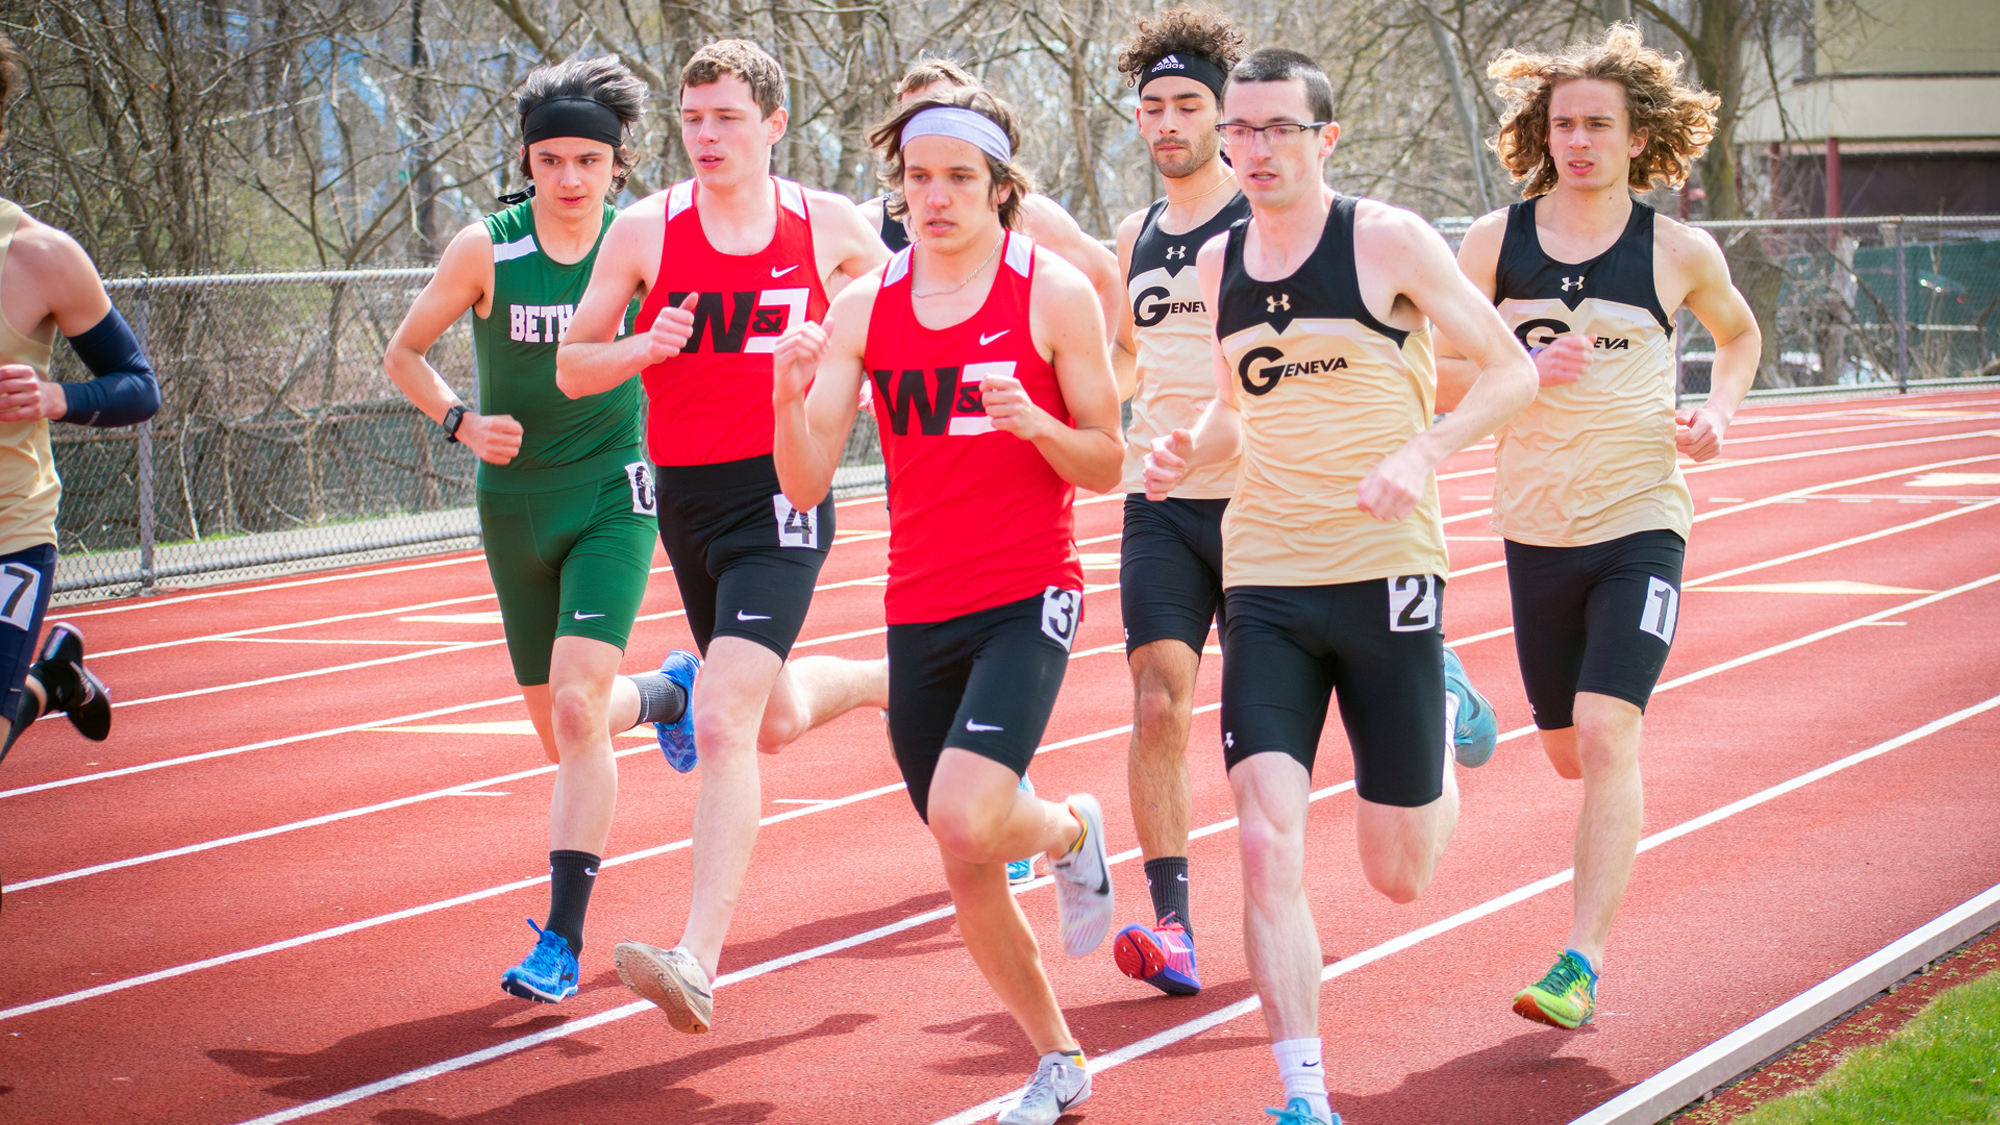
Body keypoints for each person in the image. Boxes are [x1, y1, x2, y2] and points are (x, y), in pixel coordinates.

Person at [1142, 49, 1537, 1125]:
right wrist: (1191, 447)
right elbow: (1237, 404)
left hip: (1386, 569)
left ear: (1324, 140)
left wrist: (1422, 453)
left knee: (1396, 872)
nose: (1252, 150)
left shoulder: (1384, 239)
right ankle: (1303, 1093)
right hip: (1264, 572)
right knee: (1265, 833)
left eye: (1276, 130)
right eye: (1240, 131)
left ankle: (1441, 698)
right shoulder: (1218, 264)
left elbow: (1509, 369)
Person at [769, 87, 1122, 1125]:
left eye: (958, 178)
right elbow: (800, 484)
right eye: (917, 178)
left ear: (1001, 190)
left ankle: (1064, 832)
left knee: (965, 809)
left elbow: (1103, 459)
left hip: (1028, 590)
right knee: (964, 861)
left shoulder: (1052, 295)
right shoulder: (864, 306)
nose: (933, 197)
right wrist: (785, 397)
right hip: (917, 600)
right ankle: (1057, 1059)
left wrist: (1034, 426)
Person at [555, 39, 891, 1035]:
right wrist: (640, 347)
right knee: (771, 716)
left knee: (722, 723)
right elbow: (574, 366)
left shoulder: (823, 224)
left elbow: (910, 319)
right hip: (688, 499)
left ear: (773, 126)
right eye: (692, 117)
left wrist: (835, 358)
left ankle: (696, 958)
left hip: (785, 490)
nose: (705, 135)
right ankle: (892, 682)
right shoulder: (645, 234)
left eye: (727, 118)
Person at [1436, 24, 1760, 1030]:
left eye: (1595, 123)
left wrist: (1716, 410)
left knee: (1611, 733)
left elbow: (1739, 334)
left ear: (1634, 137)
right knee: (1568, 750)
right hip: (1535, 528)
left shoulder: (1675, 249)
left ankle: (1577, 964)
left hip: (1639, 521)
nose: (1576, 138)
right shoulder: (1495, 243)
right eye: (1561, 122)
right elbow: (1434, 373)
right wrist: (1521, 372)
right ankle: (1456, 692)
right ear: (1542, 134)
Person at [383, 56, 695, 1005]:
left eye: (588, 161)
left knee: (572, 709)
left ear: (618, 165)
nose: (569, 178)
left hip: (613, 489)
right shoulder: (488, 248)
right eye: (551, 159)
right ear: (527, 162)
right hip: (512, 502)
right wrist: (460, 422)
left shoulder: (641, 246)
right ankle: (665, 696)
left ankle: (561, 940)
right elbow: (403, 352)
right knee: (567, 729)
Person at [0, 30, 160, 770]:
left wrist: (54, 395)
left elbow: (138, 387)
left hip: (9, 534)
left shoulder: (38, 255)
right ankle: (49, 678)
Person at [859, 58, 1123, 340]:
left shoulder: (1031, 218)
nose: (928, 126)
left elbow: (1110, 280)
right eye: (910, 117)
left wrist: (1098, 371)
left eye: (941, 111)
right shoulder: (866, 226)